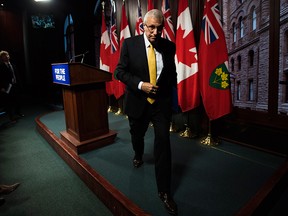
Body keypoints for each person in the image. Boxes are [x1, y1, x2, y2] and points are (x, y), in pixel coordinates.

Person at [114, 9, 178, 215]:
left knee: (163, 144)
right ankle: (138, 154)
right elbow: (119, 72)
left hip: (160, 105)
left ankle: (165, 191)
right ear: (143, 26)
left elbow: (171, 74)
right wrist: (141, 85)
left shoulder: (170, 46)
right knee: (137, 134)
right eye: (151, 27)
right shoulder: (129, 44)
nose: (155, 32)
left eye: (160, 28)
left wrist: (170, 100)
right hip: (137, 101)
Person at [0, 50, 24, 122]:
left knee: (18, 100)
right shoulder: (1, 66)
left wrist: (20, 85)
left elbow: (17, 76)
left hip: (15, 85)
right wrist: (1, 87)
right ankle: (11, 117)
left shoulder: (13, 65)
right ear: (2, 58)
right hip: (7, 87)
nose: (6, 57)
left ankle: (18, 112)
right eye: (4, 56)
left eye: (7, 55)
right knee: (9, 102)